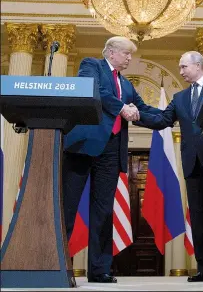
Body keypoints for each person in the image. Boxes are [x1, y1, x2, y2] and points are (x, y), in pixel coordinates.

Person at [62, 36, 160, 283]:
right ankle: (57, 263)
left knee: (103, 212)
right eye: (126, 53)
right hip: (83, 146)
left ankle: (99, 270)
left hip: (112, 150)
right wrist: (121, 108)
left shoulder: (126, 85)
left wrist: (172, 116)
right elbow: (96, 90)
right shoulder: (91, 65)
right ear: (112, 52)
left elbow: (142, 109)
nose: (129, 58)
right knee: (68, 206)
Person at [136, 51, 203, 282]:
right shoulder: (180, 98)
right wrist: (136, 115)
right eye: (180, 68)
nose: (180, 72)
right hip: (192, 162)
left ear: (198, 66)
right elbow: (163, 120)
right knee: (198, 217)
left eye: (184, 67)